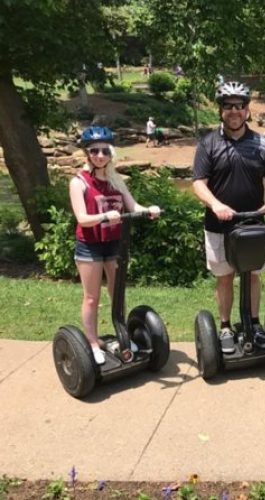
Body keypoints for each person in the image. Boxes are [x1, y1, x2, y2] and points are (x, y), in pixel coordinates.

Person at [192, 81, 265, 354]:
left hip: (253, 223)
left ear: (247, 110)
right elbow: (198, 183)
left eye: (240, 106)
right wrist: (216, 204)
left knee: (254, 276)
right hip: (219, 225)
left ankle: (253, 323)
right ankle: (224, 326)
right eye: (229, 106)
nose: (234, 111)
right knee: (225, 277)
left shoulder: (262, 144)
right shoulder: (208, 144)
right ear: (221, 110)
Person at [69, 126, 160, 365]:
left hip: (114, 244)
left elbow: (133, 206)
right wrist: (104, 216)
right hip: (89, 246)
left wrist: (149, 210)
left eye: (104, 150)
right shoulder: (79, 182)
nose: (100, 155)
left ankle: (123, 335)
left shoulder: (115, 180)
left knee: (116, 293)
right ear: (87, 154)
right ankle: (92, 341)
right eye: (94, 151)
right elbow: (81, 218)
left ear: (111, 152)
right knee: (91, 297)